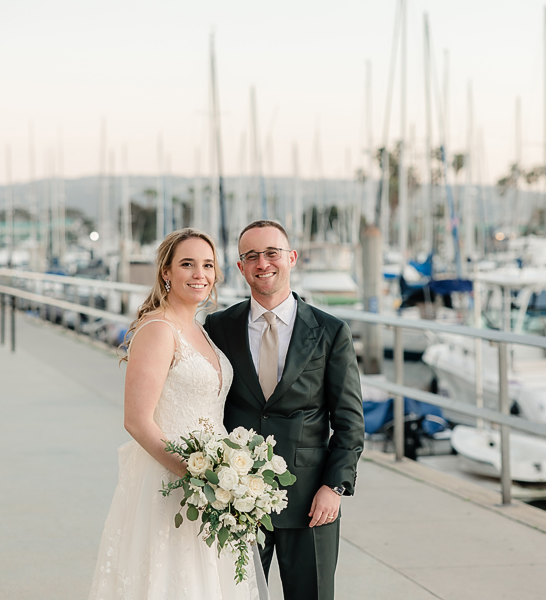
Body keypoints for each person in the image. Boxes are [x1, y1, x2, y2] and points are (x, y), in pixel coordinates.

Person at [87, 228, 265, 600]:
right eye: (187, 264)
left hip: (214, 482)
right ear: (166, 272)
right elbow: (136, 420)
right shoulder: (158, 329)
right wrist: (195, 473)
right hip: (172, 480)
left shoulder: (202, 329)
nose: (199, 273)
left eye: (207, 265)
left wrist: (224, 478)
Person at [204, 220, 365, 600]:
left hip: (311, 499)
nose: (263, 263)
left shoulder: (331, 331)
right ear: (241, 267)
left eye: (272, 253)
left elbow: (349, 420)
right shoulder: (217, 327)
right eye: (252, 256)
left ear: (291, 258)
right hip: (236, 497)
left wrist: (335, 486)